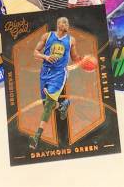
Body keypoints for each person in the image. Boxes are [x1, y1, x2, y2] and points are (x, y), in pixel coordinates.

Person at [28, 17, 86, 150]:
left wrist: (83, 61)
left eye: (68, 23)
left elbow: (75, 57)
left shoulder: (71, 40)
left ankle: (37, 136)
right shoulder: (47, 36)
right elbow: (35, 52)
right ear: (58, 24)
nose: (67, 25)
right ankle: (62, 105)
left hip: (59, 74)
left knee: (48, 105)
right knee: (46, 104)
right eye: (64, 22)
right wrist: (46, 57)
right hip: (45, 72)